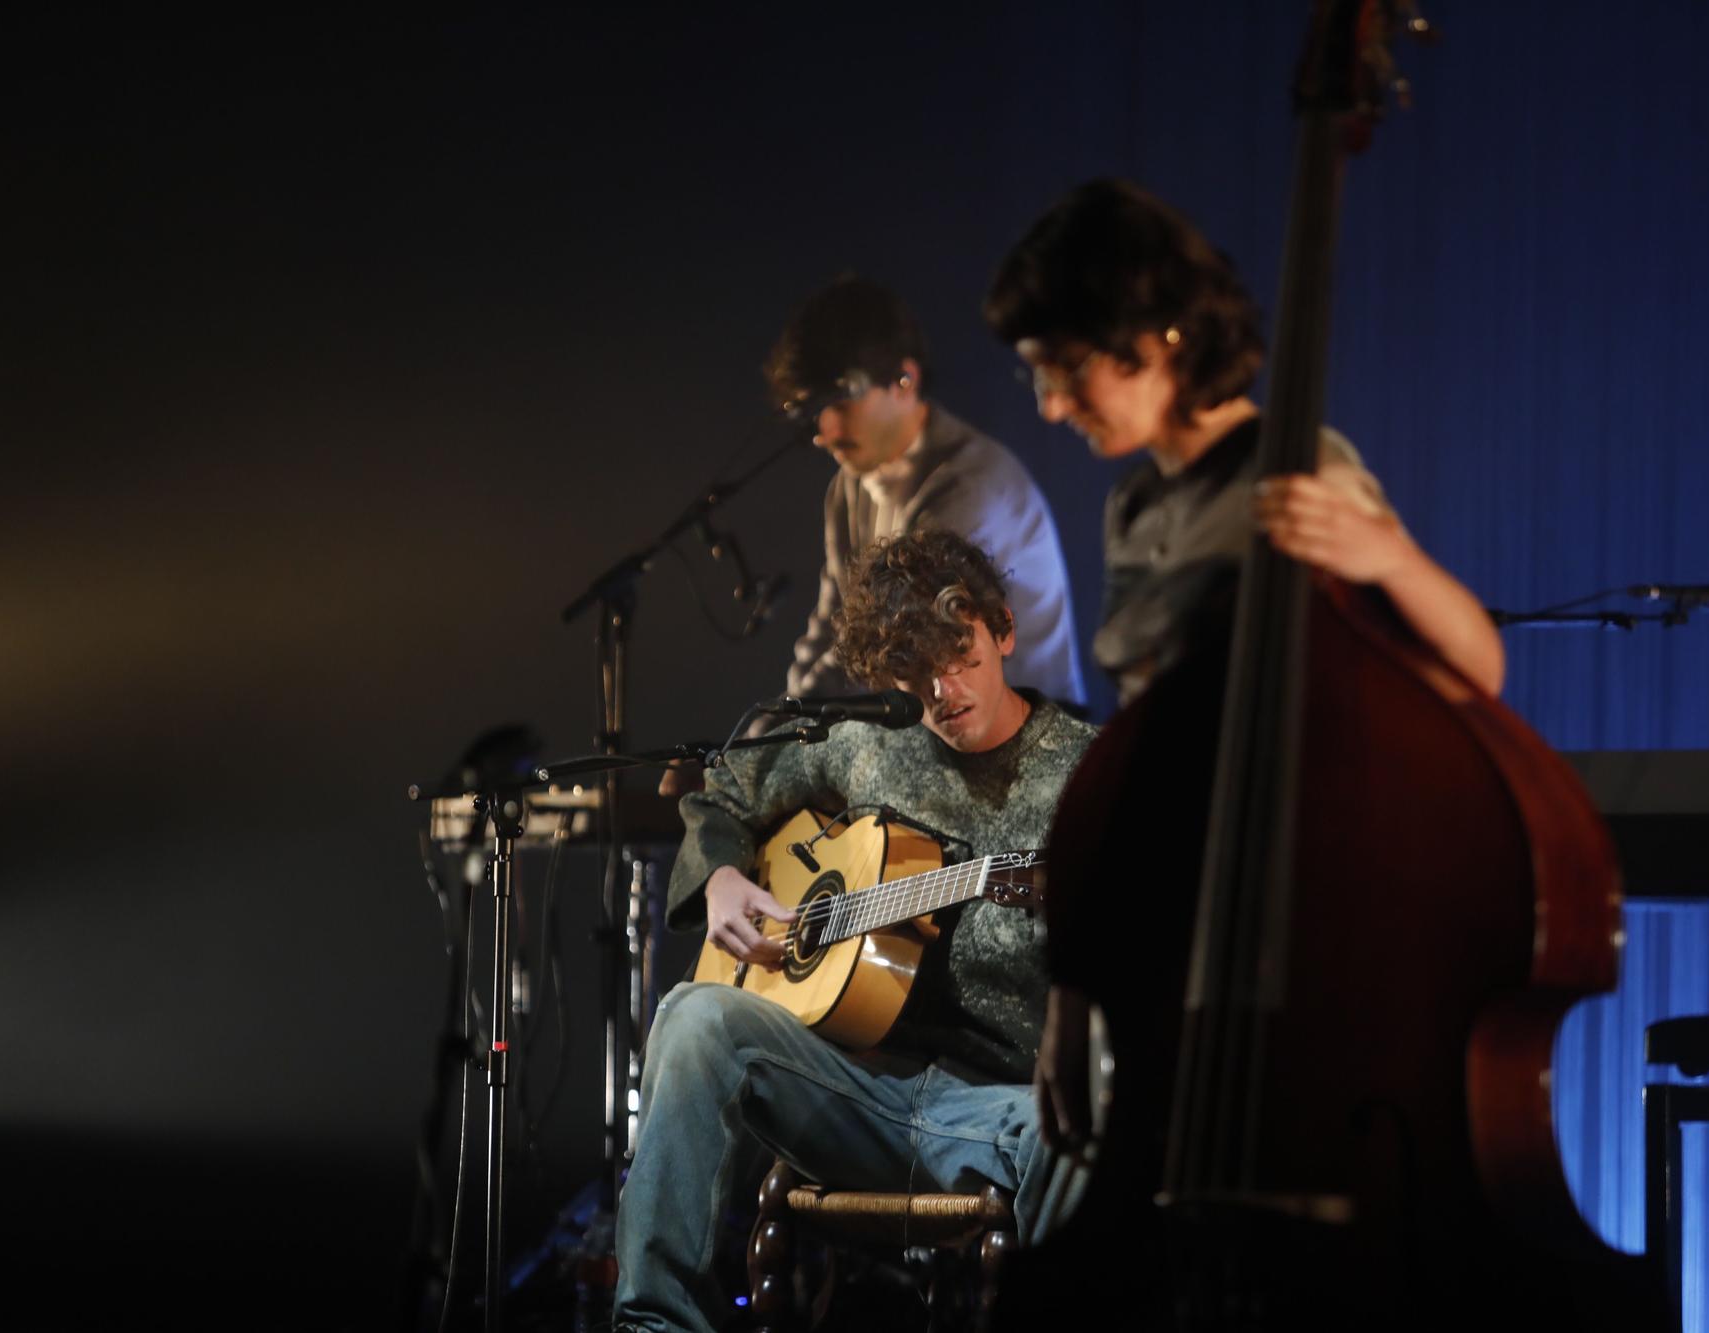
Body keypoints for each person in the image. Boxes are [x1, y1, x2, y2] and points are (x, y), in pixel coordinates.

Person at [983, 176, 1507, 1148]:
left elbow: (1475, 668)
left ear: (1158, 339)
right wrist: (1071, 994)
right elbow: (1132, 767)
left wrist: (1387, 557)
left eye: (1065, 368)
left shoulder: (1299, 464)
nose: (1051, 406)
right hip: (1161, 947)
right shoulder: (1131, 508)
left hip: (1292, 944)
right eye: (1035, 377)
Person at [614, 530, 1097, 1333]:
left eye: (961, 655)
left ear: (1003, 630)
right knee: (695, 1016)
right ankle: (652, 1325)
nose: (943, 690)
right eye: (914, 672)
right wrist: (725, 877)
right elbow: (724, 786)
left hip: (1006, 1114)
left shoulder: (1087, 775)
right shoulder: (869, 745)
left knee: (1086, 1134)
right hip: (858, 1094)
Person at [767, 275, 1085, 706]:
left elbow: (893, 646)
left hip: (1031, 749)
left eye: (839, 404)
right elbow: (833, 626)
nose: (823, 433)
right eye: (813, 411)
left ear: (905, 380)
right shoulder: (847, 485)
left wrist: (771, 738)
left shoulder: (970, 484)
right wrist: (775, 727)